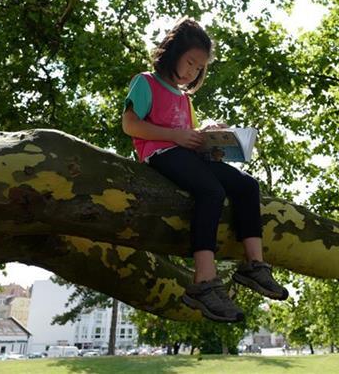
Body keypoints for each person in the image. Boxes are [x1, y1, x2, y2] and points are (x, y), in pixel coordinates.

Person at [121, 17, 288, 323]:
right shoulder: (145, 82)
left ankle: (255, 266)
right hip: (159, 155)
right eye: (190, 62)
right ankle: (204, 281)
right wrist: (177, 136)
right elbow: (130, 124)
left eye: (199, 68)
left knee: (247, 186)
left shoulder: (184, 99)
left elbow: (188, 134)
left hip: (186, 155)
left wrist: (208, 137)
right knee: (211, 191)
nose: (193, 71)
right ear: (173, 52)